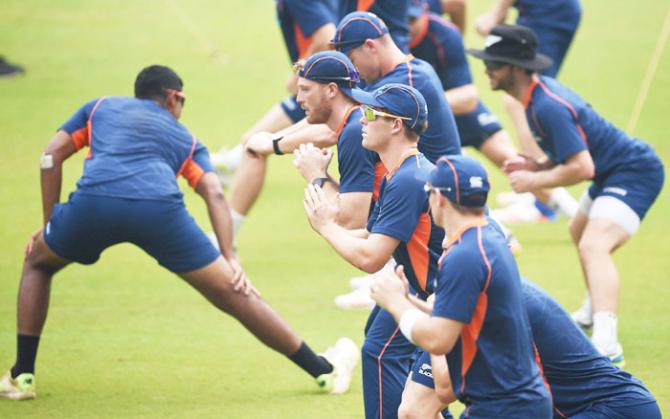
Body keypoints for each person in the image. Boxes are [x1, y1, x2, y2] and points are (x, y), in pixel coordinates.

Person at [0, 65, 358, 401]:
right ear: (173, 97)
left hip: (93, 205)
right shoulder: (186, 138)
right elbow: (214, 193)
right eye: (182, 101)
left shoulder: (98, 108)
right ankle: (323, 371)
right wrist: (229, 257)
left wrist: (50, 225)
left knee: (38, 263)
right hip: (160, 213)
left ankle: (23, 375)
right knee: (236, 295)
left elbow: (50, 156)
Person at [468, 24, 665, 363]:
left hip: (635, 172)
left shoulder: (547, 106)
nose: (487, 68)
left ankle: (607, 342)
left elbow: (582, 167)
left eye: (495, 62)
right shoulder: (535, 97)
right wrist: (539, 165)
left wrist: (535, 183)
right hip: (612, 171)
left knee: (594, 243)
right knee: (578, 230)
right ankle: (592, 310)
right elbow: (570, 153)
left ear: (516, 68)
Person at [370, 155, 552, 418]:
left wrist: (397, 304)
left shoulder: (463, 255)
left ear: (440, 199)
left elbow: (438, 340)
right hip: (511, 402)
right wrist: (411, 301)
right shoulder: (485, 239)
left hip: (504, 408)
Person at [303, 84, 444, 419]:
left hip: (440, 299)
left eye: (369, 113)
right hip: (422, 291)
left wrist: (326, 227)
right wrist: (323, 192)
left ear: (396, 125)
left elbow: (371, 258)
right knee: (380, 338)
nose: (361, 121)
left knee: (382, 354)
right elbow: (370, 233)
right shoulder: (403, 173)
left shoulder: (408, 180)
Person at [407, 1, 578, 223]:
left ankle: (570, 212)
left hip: (450, 107)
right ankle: (497, 232)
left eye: (412, 20)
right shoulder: (388, 39)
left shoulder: (445, 35)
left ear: (425, 12)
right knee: (433, 178)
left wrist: (416, 103)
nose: (407, 27)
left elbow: (468, 98)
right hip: (419, 121)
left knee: (512, 161)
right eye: (403, 20)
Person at [399, 279, 661, 419]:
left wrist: (430, 323)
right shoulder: (480, 297)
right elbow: (414, 409)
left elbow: (446, 387)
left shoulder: (500, 305)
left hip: (613, 410)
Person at [213, 0, 338, 235]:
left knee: (255, 144)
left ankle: (225, 241)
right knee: (254, 142)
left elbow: (327, 36)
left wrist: (303, 71)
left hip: (322, 88)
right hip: (329, 83)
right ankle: (230, 164)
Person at [292, 51, 377, 229]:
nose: (299, 99)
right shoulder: (355, 123)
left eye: (306, 89)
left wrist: (315, 174)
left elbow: (352, 223)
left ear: (331, 90)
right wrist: (324, 176)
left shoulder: (355, 132)